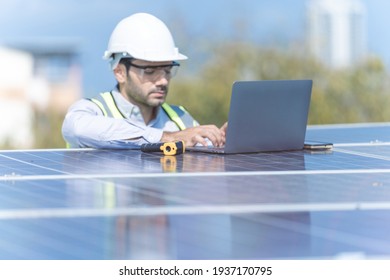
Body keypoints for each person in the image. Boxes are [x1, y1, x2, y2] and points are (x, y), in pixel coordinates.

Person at [62, 13, 227, 149]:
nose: (162, 80)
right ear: (119, 72)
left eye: (168, 70)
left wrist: (220, 141)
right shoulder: (92, 110)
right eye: (149, 71)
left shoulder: (180, 119)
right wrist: (165, 138)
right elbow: (75, 128)